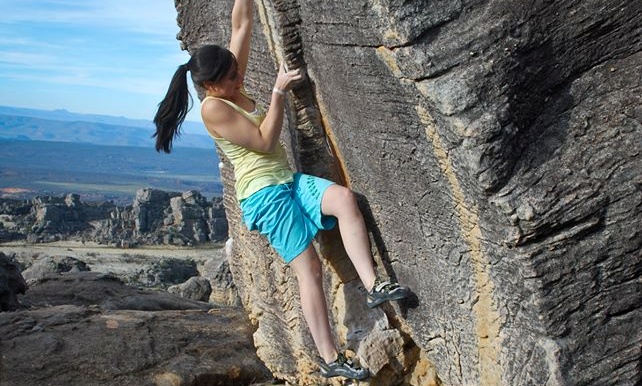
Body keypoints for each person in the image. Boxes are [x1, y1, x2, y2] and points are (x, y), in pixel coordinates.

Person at [153, 0, 409, 380]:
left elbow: (242, 24)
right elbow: (263, 139)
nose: (238, 77)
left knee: (344, 200)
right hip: (263, 196)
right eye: (230, 77)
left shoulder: (227, 76)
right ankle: (328, 357)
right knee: (309, 269)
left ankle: (374, 285)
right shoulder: (212, 108)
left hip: (286, 180)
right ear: (210, 85)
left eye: (236, 70)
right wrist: (276, 93)